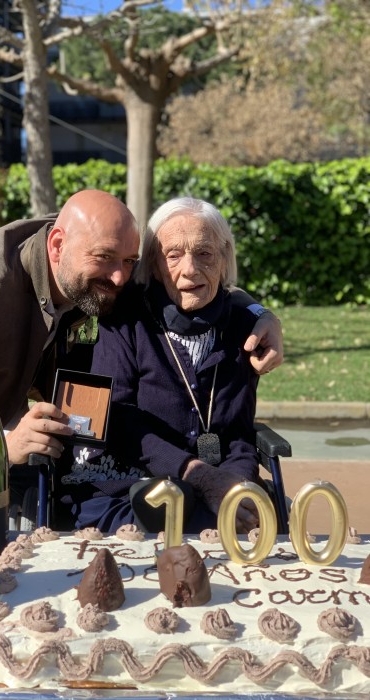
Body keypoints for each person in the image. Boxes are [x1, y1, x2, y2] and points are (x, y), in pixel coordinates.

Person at [0, 190, 282, 475]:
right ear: (57, 246)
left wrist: (257, 312)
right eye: (106, 259)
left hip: (0, 465)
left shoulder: (89, 269)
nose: (119, 278)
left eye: (129, 262)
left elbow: (190, 280)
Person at [61, 197, 273, 534]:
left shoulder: (244, 330)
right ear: (154, 265)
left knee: (259, 523)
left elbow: (238, 434)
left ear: (224, 258)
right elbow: (115, 421)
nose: (189, 269)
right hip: (131, 487)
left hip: (213, 491)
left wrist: (237, 488)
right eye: (173, 255)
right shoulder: (124, 321)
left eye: (204, 253)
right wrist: (201, 477)